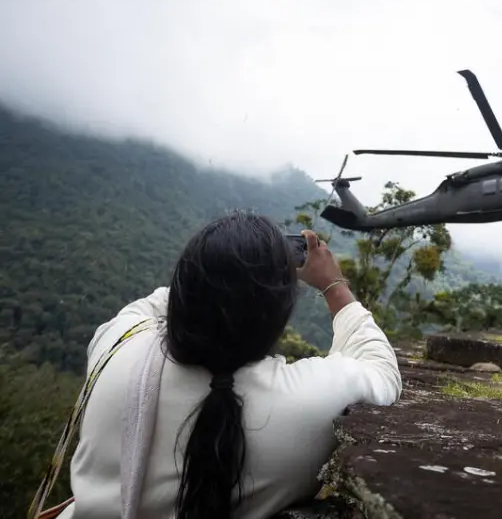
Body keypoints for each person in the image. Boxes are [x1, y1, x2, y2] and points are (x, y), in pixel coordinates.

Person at [60, 211, 403, 519]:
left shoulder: (118, 345)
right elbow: (381, 367)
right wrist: (333, 285)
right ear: (279, 314)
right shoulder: (306, 405)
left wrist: (216, 265)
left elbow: (154, 305)